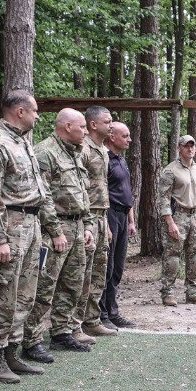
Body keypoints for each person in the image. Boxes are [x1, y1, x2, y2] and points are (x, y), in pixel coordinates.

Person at [0, 89, 50, 384]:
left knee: (25, 293)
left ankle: (11, 351)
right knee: (5, 293)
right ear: (20, 111)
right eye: (34, 111)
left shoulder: (22, 141)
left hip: (31, 222)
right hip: (10, 225)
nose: (37, 116)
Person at [24, 109, 96, 355]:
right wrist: (55, 232)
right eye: (82, 127)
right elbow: (43, 196)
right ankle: (31, 339)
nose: (86, 132)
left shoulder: (75, 153)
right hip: (55, 230)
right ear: (67, 126)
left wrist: (87, 225)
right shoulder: (45, 152)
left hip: (77, 226)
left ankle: (61, 333)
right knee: (44, 286)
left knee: (72, 284)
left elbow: (83, 193)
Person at [75, 105, 117, 339]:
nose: (111, 125)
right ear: (93, 124)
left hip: (101, 216)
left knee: (99, 272)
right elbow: (78, 186)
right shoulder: (83, 148)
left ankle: (92, 319)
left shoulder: (103, 150)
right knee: (82, 273)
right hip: (86, 218)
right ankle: (74, 324)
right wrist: (87, 221)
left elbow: (103, 188)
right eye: (107, 122)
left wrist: (106, 222)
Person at [158, 134, 196, 306]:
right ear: (179, 148)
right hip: (178, 216)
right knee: (173, 255)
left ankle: (193, 292)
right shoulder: (170, 170)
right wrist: (170, 222)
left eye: (192, 146)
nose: (190, 149)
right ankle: (168, 293)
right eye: (186, 146)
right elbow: (163, 198)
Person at [99, 121, 137, 327]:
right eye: (125, 136)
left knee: (118, 268)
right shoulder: (103, 159)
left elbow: (127, 191)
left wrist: (131, 220)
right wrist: (105, 223)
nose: (129, 140)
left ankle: (113, 311)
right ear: (112, 137)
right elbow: (101, 194)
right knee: (107, 266)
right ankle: (102, 314)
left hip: (123, 216)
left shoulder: (121, 160)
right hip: (110, 215)